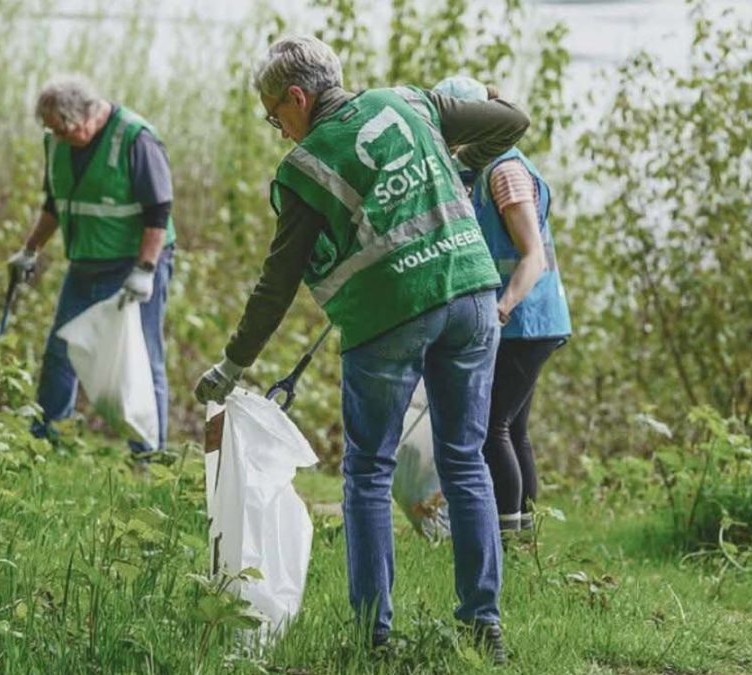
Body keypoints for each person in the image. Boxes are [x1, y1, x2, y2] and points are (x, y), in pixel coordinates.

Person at [193, 37, 530, 662]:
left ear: (298, 97)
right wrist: (460, 165)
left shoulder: (305, 167)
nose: (280, 130)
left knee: (369, 473)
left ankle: (376, 637)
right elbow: (511, 120)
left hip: (389, 318)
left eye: (276, 117)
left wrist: (233, 364)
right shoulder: (409, 102)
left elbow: (277, 283)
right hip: (471, 295)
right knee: (464, 460)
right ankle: (484, 627)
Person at [7, 75, 176, 460]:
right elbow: (56, 204)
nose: (59, 138)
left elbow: (159, 210)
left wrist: (146, 268)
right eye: (53, 131)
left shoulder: (136, 138)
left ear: (89, 116)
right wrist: (29, 250)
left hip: (135, 264)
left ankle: (149, 457)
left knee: (143, 360)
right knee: (60, 352)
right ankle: (45, 442)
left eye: (64, 130)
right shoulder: (56, 141)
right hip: (85, 262)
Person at [434, 76, 572, 534]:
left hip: (525, 321)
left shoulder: (506, 172)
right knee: (513, 429)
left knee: (491, 425)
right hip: (532, 320)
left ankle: (506, 538)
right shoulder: (482, 167)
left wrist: (502, 307)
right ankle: (525, 536)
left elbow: (531, 255)